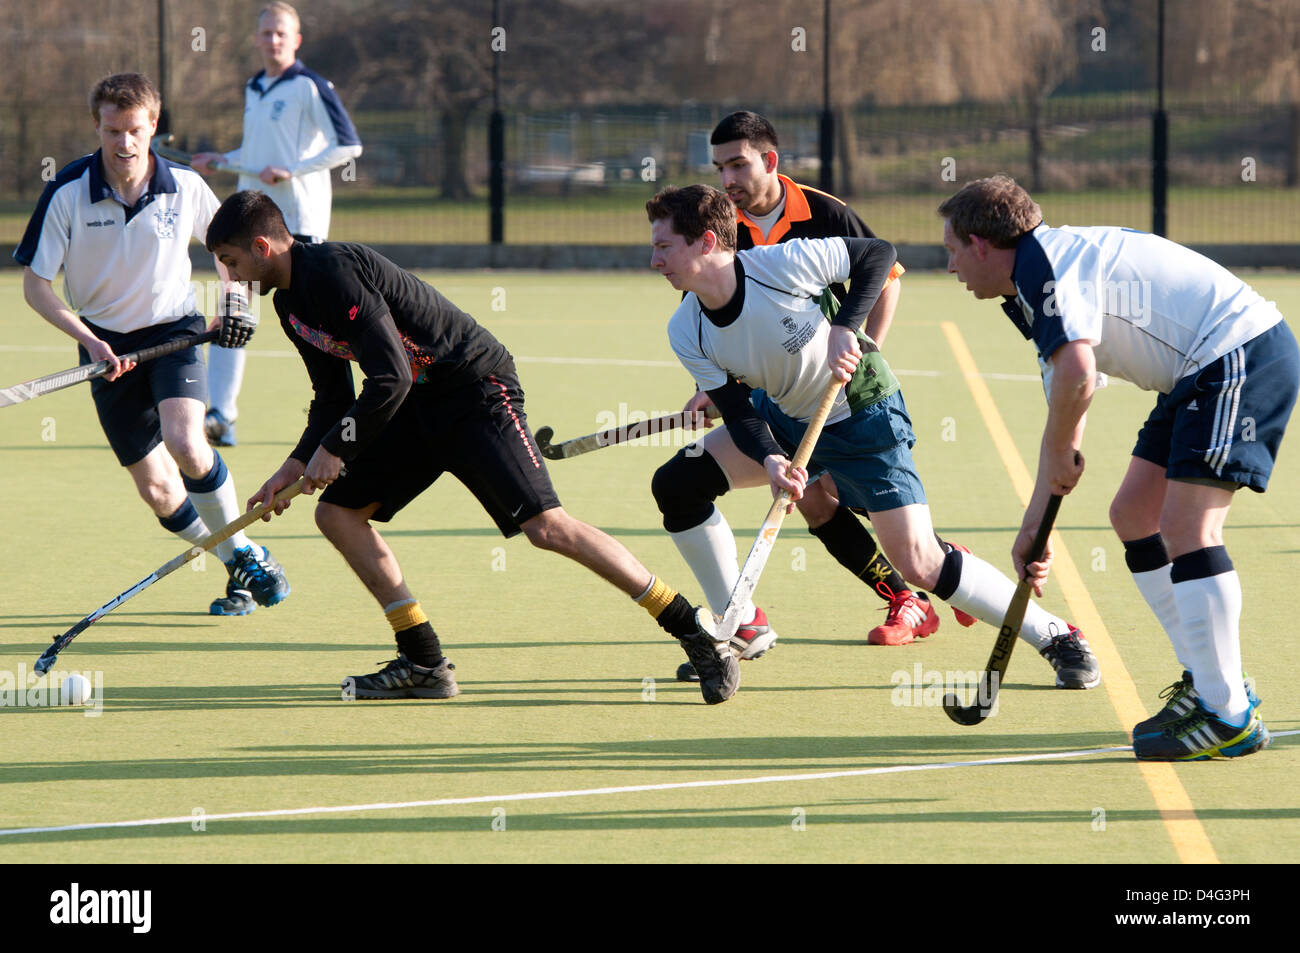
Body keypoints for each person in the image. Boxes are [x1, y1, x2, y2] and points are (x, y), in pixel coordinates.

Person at [204, 190, 735, 703]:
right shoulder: (291, 305)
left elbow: (388, 376)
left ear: (261, 248)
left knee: (547, 528)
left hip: (476, 390)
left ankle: (694, 631)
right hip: (414, 405)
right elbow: (332, 396)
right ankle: (423, 661)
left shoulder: (333, 272)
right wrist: (294, 464)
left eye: (229, 261)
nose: (229, 276)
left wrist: (338, 449)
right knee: (338, 513)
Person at [648, 184, 1099, 691]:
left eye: (664, 247)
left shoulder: (782, 265)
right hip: (785, 418)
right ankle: (739, 624)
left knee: (920, 563)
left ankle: (1057, 636)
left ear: (706, 242)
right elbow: (736, 409)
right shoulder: (685, 328)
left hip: (863, 413)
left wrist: (846, 325)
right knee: (678, 484)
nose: (654, 260)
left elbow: (879, 254)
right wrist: (773, 459)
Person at [938, 174, 1297, 760]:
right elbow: (1069, 392)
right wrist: (1035, 522)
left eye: (952, 250)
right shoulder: (1038, 274)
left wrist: (1057, 455)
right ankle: (1204, 682)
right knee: (1134, 515)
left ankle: (1227, 714)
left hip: (1238, 353)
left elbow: (1079, 376)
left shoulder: (1042, 265)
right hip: (1196, 372)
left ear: (981, 244)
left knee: (1189, 530)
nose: (951, 266)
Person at [682, 111, 960, 655]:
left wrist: (861, 347)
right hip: (778, 390)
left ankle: (935, 566)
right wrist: (720, 388)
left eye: (738, 164)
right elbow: (728, 320)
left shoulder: (823, 212)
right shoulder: (721, 226)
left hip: (841, 388)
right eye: (719, 168)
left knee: (852, 497)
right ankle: (907, 594)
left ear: (770, 161)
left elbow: (885, 277)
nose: (729, 179)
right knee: (806, 496)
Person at [13, 73, 290, 618]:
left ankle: (243, 557)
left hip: (174, 333)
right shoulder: (68, 191)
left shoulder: (184, 186)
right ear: (97, 126)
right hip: (103, 347)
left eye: (134, 130)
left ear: (153, 126)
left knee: (186, 443)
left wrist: (235, 302)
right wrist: (89, 340)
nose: (124, 143)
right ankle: (241, 557)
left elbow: (229, 245)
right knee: (161, 493)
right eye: (112, 130)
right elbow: (35, 285)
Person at [192, 1, 362, 447]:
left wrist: (293, 169)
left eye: (281, 34)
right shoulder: (254, 87)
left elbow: (349, 145)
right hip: (249, 227)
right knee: (233, 311)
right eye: (266, 33)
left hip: (297, 229)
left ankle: (353, 413)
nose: (273, 41)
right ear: (257, 38)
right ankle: (220, 416)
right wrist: (223, 160)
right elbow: (257, 150)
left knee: (319, 325)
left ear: (296, 40)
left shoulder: (310, 86)